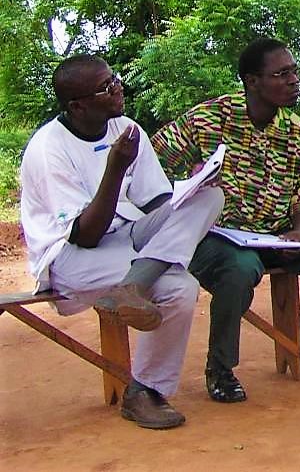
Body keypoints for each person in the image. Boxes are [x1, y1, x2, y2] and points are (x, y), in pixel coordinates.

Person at [20, 55, 224, 429]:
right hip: (71, 255)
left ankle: (133, 285)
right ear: (77, 105)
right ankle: (144, 391)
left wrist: (192, 188)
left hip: (128, 236)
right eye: (105, 87)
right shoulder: (49, 149)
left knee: (210, 198)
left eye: (114, 78)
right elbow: (86, 234)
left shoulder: (126, 128)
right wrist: (114, 168)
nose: (118, 88)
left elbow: (156, 201)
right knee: (181, 287)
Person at [152, 38, 300, 403]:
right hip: (214, 237)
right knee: (239, 270)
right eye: (282, 74)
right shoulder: (209, 119)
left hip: (276, 233)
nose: (294, 80)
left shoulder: (298, 132)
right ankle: (221, 367)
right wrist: (190, 180)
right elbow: (151, 162)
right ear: (252, 81)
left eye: (294, 71)